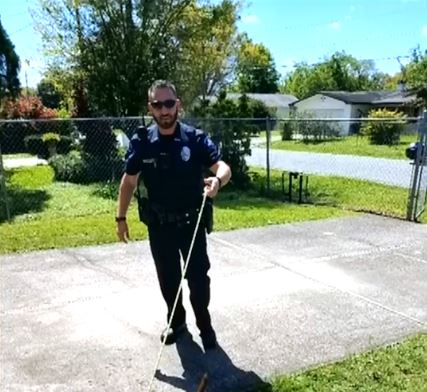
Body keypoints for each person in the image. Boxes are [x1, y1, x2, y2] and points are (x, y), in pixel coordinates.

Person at [116, 80, 231, 351]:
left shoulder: (195, 138)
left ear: (178, 105)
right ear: (151, 108)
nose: (164, 110)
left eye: (169, 103)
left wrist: (217, 181)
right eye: (158, 105)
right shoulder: (142, 142)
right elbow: (129, 182)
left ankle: (205, 325)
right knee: (169, 281)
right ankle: (176, 322)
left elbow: (222, 166)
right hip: (160, 227)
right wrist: (120, 219)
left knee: (199, 281)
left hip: (192, 224)